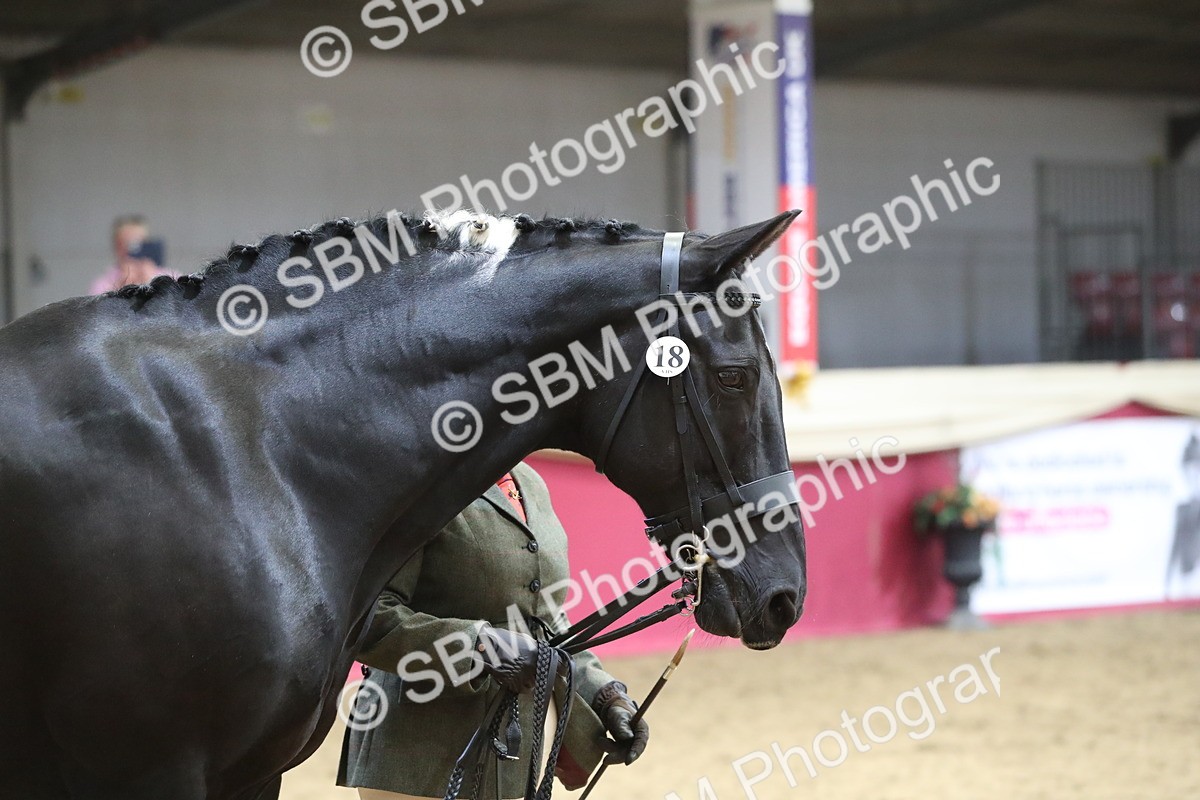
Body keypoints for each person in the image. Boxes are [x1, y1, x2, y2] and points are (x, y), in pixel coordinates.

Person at [338, 462, 649, 800]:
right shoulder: (416, 480)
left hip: (518, 752)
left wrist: (606, 697)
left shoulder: (529, 481)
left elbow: (544, 616)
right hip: (418, 755)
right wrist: (479, 645)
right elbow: (367, 617)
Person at [89, 214, 172, 294]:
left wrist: (154, 282)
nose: (132, 250)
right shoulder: (103, 284)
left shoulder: (171, 278)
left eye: (139, 243)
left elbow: (178, 305)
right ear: (116, 246)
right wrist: (119, 289)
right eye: (126, 243)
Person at [1166, 432, 1200, 597]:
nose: (1193, 477)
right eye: (1189, 471)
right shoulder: (1183, 509)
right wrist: (1167, 582)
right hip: (1186, 581)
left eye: (1197, 470)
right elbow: (1174, 549)